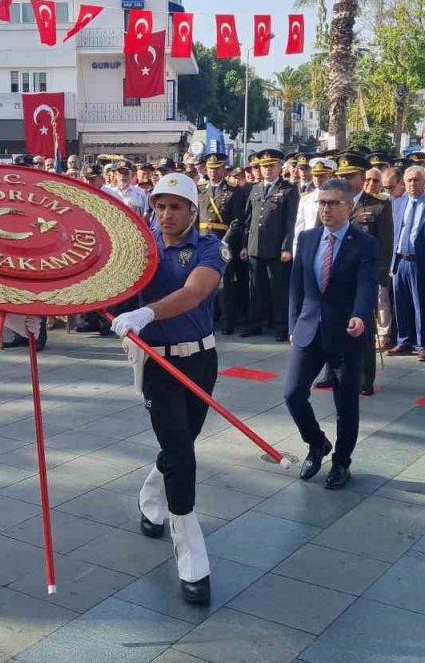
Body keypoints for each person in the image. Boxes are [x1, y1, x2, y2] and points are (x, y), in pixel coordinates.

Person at [110, 172, 228, 605]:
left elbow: (195, 293)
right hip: (157, 364)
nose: (166, 214)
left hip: (200, 360)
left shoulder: (210, 248)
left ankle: (150, 494)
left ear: (193, 210)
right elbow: (105, 282)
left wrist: (145, 313)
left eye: (176, 206)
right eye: (159, 206)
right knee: (180, 450)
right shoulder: (141, 249)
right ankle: (191, 552)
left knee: (182, 443)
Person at [283, 178, 378, 490]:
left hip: (346, 333)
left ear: (348, 207)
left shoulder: (364, 243)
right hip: (308, 329)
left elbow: (367, 285)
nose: (325, 209)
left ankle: (341, 462)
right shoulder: (307, 238)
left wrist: (360, 315)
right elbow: (296, 286)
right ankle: (316, 442)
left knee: (345, 404)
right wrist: (293, 325)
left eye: (332, 203)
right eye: (321, 202)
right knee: (293, 393)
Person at [242, 150, 299, 340]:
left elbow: (290, 222)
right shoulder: (255, 188)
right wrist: (245, 245)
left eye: (270, 166)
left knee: (278, 290)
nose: (266, 169)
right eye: (264, 166)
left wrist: (286, 247)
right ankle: (254, 324)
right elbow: (248, 220)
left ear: (279, 167)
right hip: (255, 246)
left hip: (276, 248)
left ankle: (281, 327)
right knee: (254, 289)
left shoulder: (288, 189)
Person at [349, 158, 394, 389]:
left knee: (365, 327)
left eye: (351, 176)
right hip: (338, 275)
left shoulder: (378, 206)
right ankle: (332, 372)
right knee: (335, 324)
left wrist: (380, 276)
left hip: (365, 277)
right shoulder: (335, 200)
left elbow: (385, 245)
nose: (346, 180)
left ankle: (366, 378)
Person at [389, 165, 425, 361]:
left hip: (421, 261)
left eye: (416, 180)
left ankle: (423, 344)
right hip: (399, 260)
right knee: (400, 303)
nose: (412, 184)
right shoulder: (397, 203)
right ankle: (403, 340)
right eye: (409, 180)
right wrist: (390, 262)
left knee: (421, 304)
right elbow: (393, 233)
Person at [197, 152, 249, 335]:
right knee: (202, 283)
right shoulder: (200, 189)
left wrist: (226, 241)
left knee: (224, 283)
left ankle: (227, 322)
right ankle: (208, 320)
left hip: (222, 241)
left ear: (223, 170)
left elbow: (237, 220)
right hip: (203, 240)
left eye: (217, 168)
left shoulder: (234, 191)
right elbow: (195, 217)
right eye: (210, 168)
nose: (213, 172)